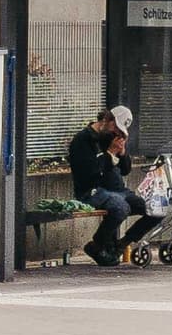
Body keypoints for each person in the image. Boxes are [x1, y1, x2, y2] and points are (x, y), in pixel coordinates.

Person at [67, 105, 164, 268]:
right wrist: (110, 153)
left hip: (117, 190)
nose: (116, 133)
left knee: (155, 209)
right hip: (92, 190)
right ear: (107, 119)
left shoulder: (110, 137)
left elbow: (125, 170)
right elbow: (90, 172)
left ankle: (122, 244)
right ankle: (99, 244)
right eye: (116, 128)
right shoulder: (83, 140)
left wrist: (122, 153)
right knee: (120, 207)